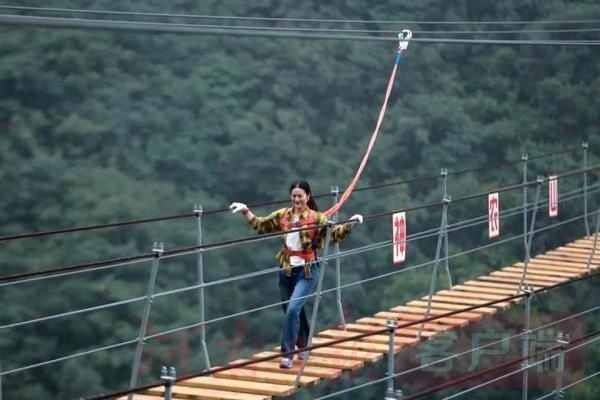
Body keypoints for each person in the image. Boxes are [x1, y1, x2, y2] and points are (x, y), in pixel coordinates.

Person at [230, 181, 363, 368]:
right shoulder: (283, 215)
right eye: (294, 196)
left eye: (300, 195)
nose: (297, 199)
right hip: (285, 270)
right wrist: (246, 211)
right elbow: (261, 226)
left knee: (293, 309)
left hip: (307, 271)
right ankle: (304, 345)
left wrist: (350, 224)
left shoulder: (317, 218)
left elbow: (334, 235)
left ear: (308, 196)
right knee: (292, 312)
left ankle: (288, 354)